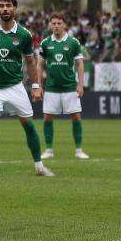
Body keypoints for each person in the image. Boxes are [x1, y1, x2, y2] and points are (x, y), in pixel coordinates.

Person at [0, 0, 54, 178]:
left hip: (15, 86)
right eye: (1, 6)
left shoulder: (24, 34)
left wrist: (36, 85)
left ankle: (39, 167)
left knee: (29, 126)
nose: (5, 9)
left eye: (8, 5)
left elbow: (30, 62)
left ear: (14, 8)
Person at [37, 13, 89, 160]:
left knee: (76, 116)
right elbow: (40, 65)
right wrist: (38, 86)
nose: (56, 26)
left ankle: (79, 150)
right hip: (51, 87)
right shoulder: (45, 43)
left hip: (70, 86)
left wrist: (81, 84)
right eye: (53, 23)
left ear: (64, 25)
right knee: (47, 117)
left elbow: (80, 64)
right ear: (50, 25)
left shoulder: (73, 42)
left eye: (59, 23)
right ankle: (49, 150)